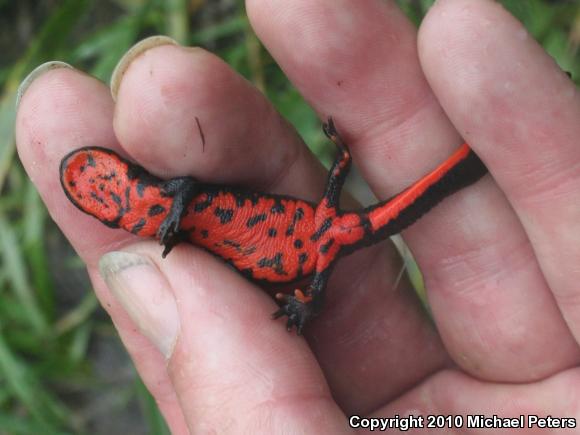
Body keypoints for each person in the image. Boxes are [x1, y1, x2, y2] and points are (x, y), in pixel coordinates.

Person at [15, 0, 580, 433]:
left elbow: (184, 184)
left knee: (370, 218)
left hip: (304, 234)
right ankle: (469, 159)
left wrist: (172, 211)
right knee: (342, 247)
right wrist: (306, 302)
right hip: (311, 251)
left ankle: (477, 154)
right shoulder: (163, 220)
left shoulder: (167, 197)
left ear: (125, 169)